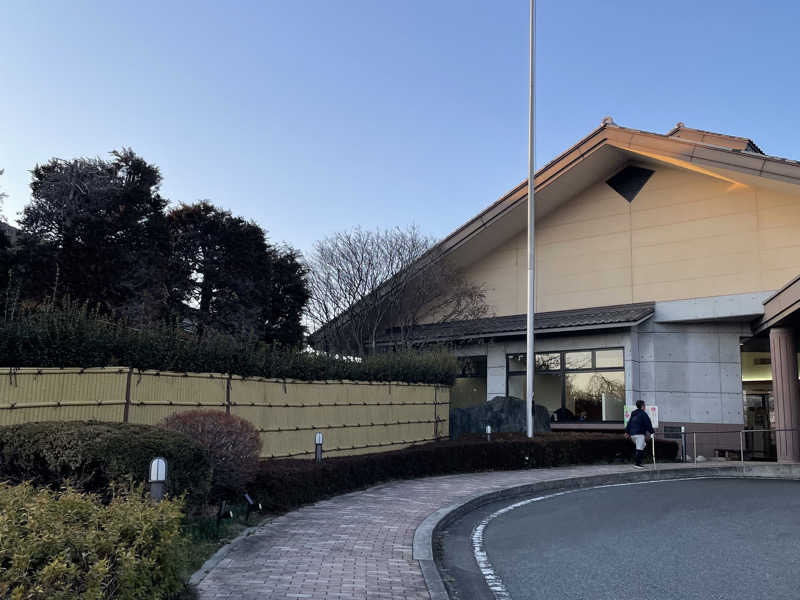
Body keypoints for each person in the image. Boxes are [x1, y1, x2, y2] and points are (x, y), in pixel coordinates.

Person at [625, 400, 654, 468]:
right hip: (639, 434)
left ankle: (638, 462)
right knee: (639, 448)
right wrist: (652, 432)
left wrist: (627, 432)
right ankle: (637, 464)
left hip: (633, 435)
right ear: (642, 406)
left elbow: (629, 423)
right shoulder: (643, 414)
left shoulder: (633, 413)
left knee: (643, 445)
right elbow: (648, 423)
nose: (645, 407)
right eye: (644, 405)